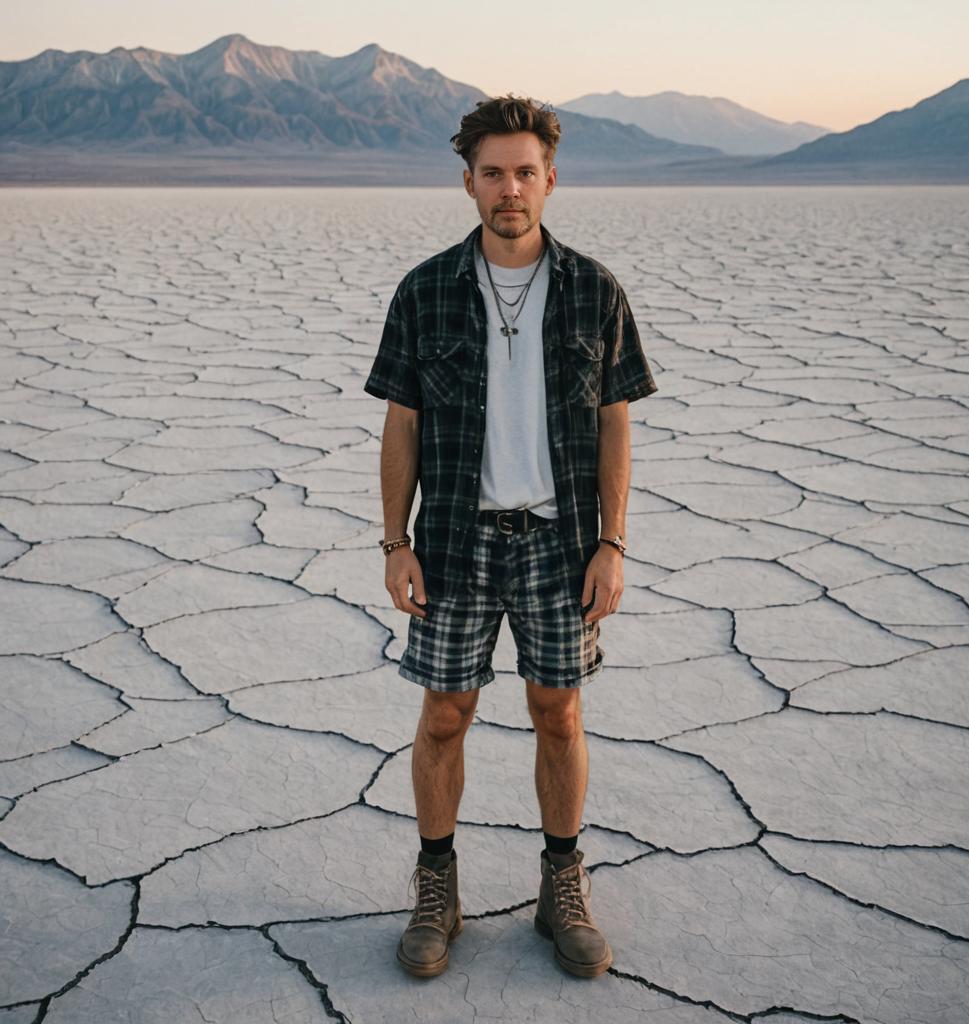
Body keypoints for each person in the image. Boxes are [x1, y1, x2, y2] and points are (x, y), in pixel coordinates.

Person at [363, 94, 658, 980]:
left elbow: (614, 424)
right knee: (445, 714)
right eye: (493, 172)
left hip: (560, 543)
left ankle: (561, 886)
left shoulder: (596, 290)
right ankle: (437, 888)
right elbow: (401, 424)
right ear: (468, 182)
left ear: (551, 180)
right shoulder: (425, 290)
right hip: (454, 538)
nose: (510, 188)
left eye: (525, 171)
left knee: (558, 712)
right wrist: (393, 541)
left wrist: (613, 542)